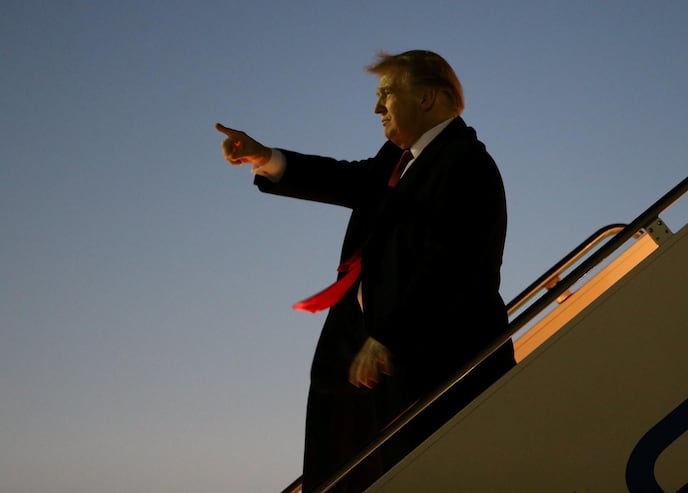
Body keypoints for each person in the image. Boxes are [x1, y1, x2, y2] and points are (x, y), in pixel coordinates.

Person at [216, 49, 516, 492]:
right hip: (373, 356)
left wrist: (389, 334)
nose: (377, 109)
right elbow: (347, 180)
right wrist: (265, 158)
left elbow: (455, 265)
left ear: (430, 98)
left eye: (387, 95)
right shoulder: (397, 162)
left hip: (427, 363)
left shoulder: (467, 165)